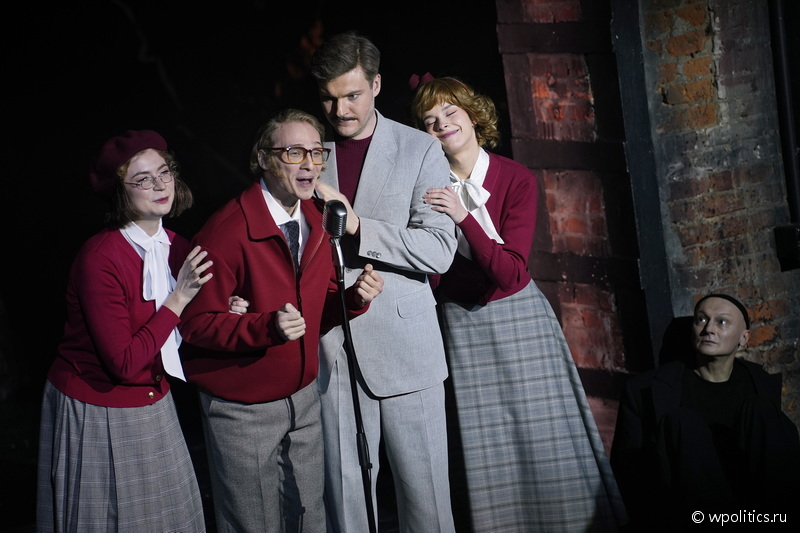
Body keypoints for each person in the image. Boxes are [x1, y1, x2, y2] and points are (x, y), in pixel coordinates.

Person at [411, 76, 628, 532]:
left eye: (450, 112)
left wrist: (464, 217)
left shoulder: (515, 178)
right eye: (430, 121)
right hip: (461, 326)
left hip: (519, 319)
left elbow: (510, 272)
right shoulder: (425, 185)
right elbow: (431, 270)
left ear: (473, 115)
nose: (442, 124)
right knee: (487, 447)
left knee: (545, 440)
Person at [177, 108, 384, 533]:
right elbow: (195, 324)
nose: (309, 163)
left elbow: (314, 312)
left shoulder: (317, 220)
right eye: (294, 152)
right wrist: (265, 327)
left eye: (316, 152)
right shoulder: (226, 231)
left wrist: (352, 299)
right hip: (244, 407)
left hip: (303, 396)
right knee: (255, 523)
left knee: (310, 517)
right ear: (264, 159)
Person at [309, 32, 458, 533]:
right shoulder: (308, 151)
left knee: (426, 502)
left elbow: (438, 249)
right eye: (329, 97)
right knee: (346, 503)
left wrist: (359, 227)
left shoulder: (419, 148)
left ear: (375, 84)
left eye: (352, 94)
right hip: (332, 347)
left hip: (405, 346)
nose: (340, 109)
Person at [36, 129, 212, 531]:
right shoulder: (100, 258)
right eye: (143, 179)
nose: (160, 185)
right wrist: (179, 299)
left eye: (164, 172)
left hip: (154, 398)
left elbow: (187, 329)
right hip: (99, 405)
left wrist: (223, 310)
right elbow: (124, 362)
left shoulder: (178, 246)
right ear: (120, 192)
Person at [611, 293, 800, 531]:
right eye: (701, 319)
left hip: (755, 513)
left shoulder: (760, 384)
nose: (709, 329)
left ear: (744, 338)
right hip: (688, 515)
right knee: (682, 422)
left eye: (722, 322)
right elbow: (627, 470)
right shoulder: (645, 389)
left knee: (761, 410)